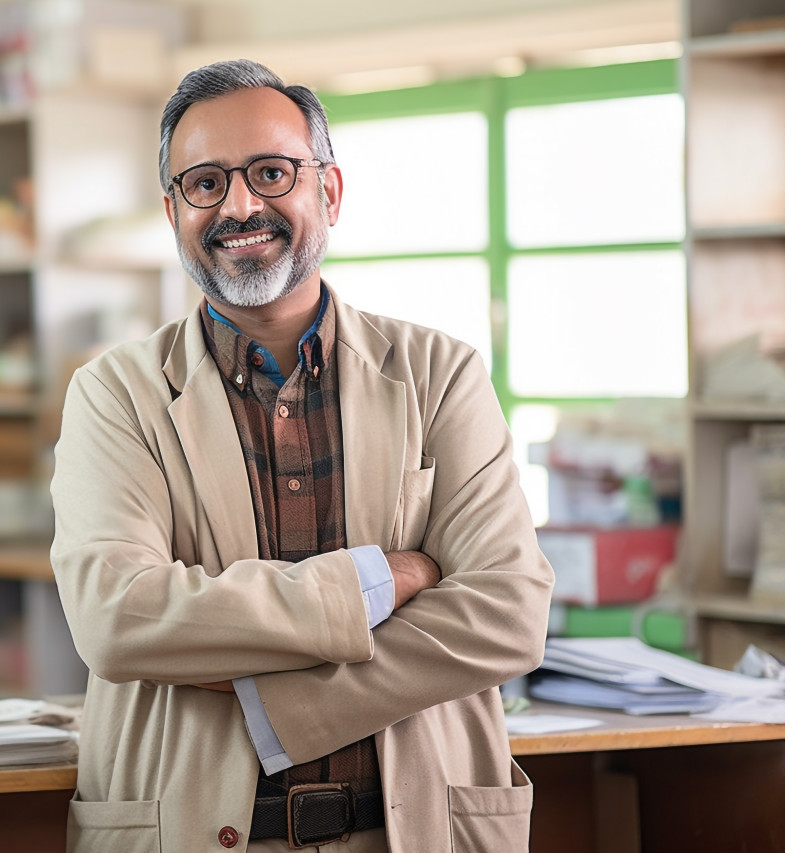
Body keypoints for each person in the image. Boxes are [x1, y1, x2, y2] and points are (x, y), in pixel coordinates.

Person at [50, 59, 554, 852]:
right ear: (174, 209)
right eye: (205, 183)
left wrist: (263, 697)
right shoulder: (114, 394)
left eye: (272, 172)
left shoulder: (439, 373)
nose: (240, 204)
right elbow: (118, 619)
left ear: (330, 191)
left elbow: (508, 616)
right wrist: (383, 581)